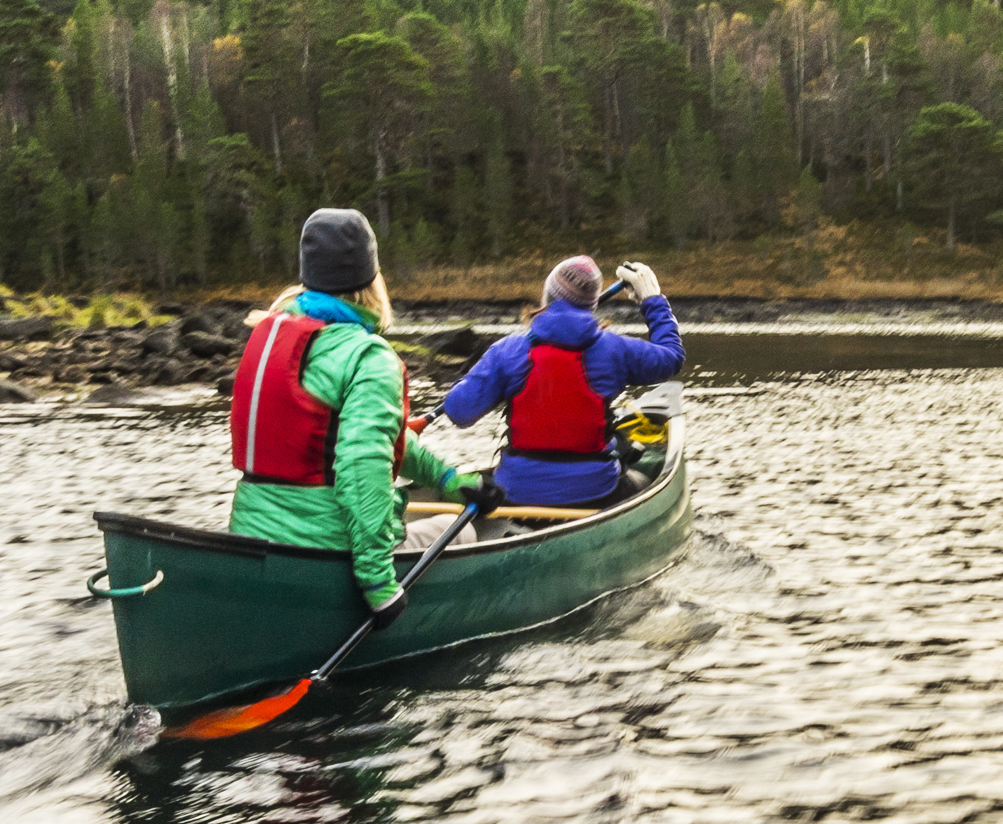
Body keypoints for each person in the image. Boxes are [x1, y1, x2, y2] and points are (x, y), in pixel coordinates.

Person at [227, 207, 480, 613]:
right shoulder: (368, 356)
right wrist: (378, 583)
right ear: (371, 278)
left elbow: (363, 440)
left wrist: (448, 479)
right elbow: (364, 465)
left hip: (251, 544)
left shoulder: (271, 335)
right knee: (464, 532)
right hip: (322, 553)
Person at [438, 253, 681, 508]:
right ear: (592, 305)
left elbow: (458, 412)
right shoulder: (615, 349)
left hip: (516, 492)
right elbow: (672, 357)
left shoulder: (507, 350)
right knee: (642, 481)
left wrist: (485, 372)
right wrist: (652, 300)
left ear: (547, 298)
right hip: (596, 491)